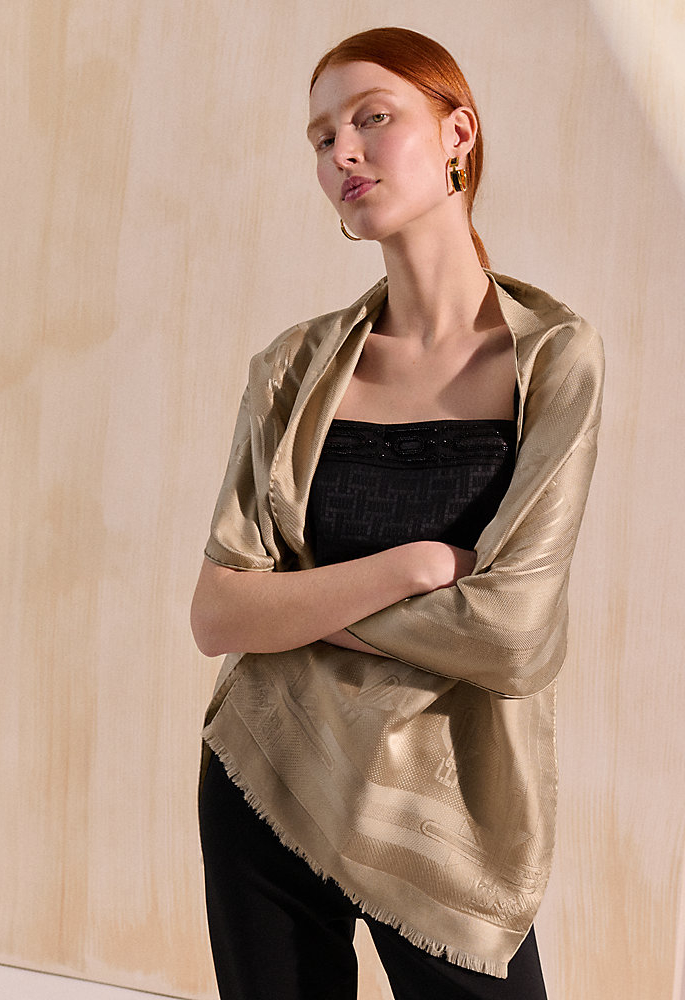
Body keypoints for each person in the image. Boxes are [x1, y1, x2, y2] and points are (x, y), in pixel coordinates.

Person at [192, 26, 603, 1000]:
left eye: (371, 118)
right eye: (321, 136)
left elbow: (513, 636)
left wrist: (296, 608)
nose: (342, 151)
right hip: (268, 765)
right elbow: (217, 612)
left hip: (445, 814)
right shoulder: (293, 366)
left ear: (458, 133)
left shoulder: (552, 355)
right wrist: (413, 565)